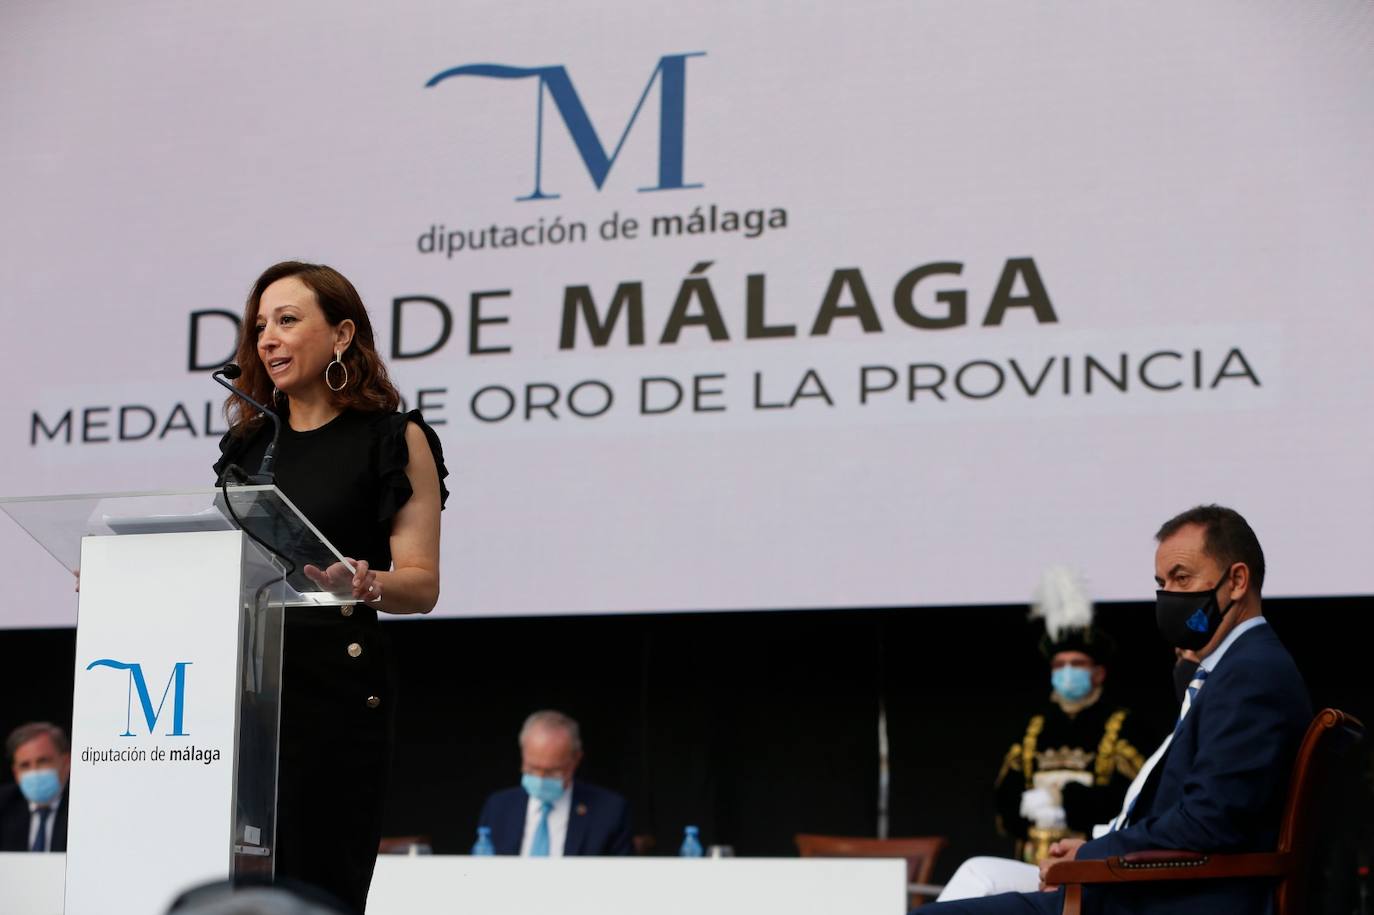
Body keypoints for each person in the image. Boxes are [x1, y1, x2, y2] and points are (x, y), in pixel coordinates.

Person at [922, 505, 1311, 914]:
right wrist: (1095, 850)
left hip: (1164, 898)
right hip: (1137, 884)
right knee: (976, 880)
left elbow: (1207, 822)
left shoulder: (1250, 675)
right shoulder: (1237, 670)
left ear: (1237, 581)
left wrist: (1093, 857)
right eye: (1161, 583)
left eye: (1182, 577)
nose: (1168, 595)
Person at [214, 261, 449, 914]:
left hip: (332, 696)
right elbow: (221, 561)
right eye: (260, 325)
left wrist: (365, 582)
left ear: (342, 335)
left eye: (287, 320)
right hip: (241, 695)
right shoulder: (247, 445)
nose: (267, 337)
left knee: (315, 890)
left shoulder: (393, 440)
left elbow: (422, 584)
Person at [994, 568, 1148, 862]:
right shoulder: (1033, 727)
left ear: (1098, 673)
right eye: (1059, 664)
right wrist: (1027, 810)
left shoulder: (1123, 726)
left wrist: (1068, 799)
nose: (1067, 671)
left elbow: (1135, 800)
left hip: (1094, 859)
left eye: (1077, 664)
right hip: (1033, 859)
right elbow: (1004, 797)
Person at [478, 710, 634, 857]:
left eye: (552, 771)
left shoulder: (609, 812)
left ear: (575, 760)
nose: (540, 778)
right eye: (532, 768)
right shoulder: (498, 807)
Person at [0, 722, 70, 852]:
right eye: (25, 765)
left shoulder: (84, 806)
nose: (34, 771)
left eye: (43, 761)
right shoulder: (4, 805)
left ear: (66, 762)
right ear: (16, 773)